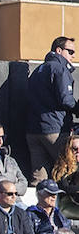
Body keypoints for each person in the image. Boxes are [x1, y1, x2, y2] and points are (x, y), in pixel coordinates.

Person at [27, 37, 78, 183]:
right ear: (59, 50)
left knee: (39, 179)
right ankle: (69, 205)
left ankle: (39, 206)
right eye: (70, 51)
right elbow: (66, 100)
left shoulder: (38, 70)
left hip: (32, 130)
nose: (73, 56)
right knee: (68, 169)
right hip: (54, 130)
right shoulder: (60, 69)